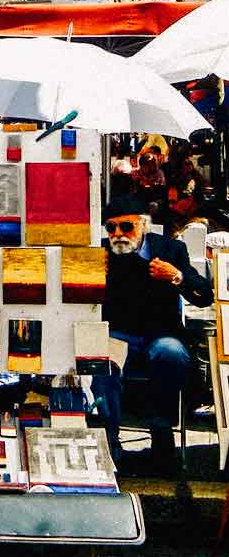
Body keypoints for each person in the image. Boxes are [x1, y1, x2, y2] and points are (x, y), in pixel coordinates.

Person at [91, 196, 213, 475]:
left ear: (143, 225)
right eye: (111, 228)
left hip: (161, 333)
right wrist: (94, 276)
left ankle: (162, 430)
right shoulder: (103, 253)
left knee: (169, 353)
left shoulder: (171, 249)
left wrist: (177, 276)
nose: (118, 235)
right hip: (118, 334)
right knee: (100, 361)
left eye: (126, 227)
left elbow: (204, 295)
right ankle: (110, 439)